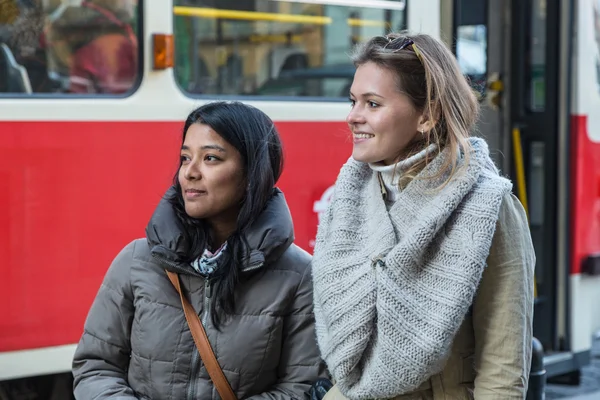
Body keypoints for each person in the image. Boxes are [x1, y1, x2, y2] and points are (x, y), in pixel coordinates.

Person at [311, 32, 535, 400]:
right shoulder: (348, 200)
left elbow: (504, 369)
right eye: (353, 101)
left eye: (372, 103)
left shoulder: (488, 204)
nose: (353, 117)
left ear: (427, 116)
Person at [72, 101, 327, 399]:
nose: (189, 173)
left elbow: (301, 387)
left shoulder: (298, 276)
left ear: (252, 172)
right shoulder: (136, 260)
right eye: (184, 157)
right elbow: (95, 366)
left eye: (210, 158)